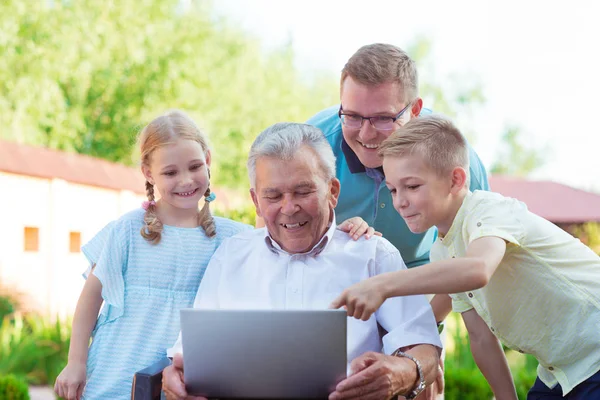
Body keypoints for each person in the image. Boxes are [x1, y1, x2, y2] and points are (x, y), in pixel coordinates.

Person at [162, 122, 443, 400]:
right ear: (256, 201)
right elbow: (188, 353)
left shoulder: (374, 255)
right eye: (273, 195)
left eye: (303, 191)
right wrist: (175, 375)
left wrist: (402, 372)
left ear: (332, 191)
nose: (289, 207)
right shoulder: (230, 256)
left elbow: (424, 347)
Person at [331, 115, 600, 399]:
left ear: (455, 180)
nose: (400, 201)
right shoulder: (445, 252)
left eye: (412, 186)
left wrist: (381, 285)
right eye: (393, 189)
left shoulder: (489, 210)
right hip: (561, 371)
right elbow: (480, 337)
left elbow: (478, 269)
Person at [307, 42, 490, 397]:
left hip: (424, 282)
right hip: (342, 288)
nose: (365, 133)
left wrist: (422, 334)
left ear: (415, 110)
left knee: (421, 377)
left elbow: (466, 263)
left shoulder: (455, 157)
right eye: (353, 116)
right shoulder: (313, 145)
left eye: (383, 118)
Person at [53, 110, 253, 400]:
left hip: (184, 387)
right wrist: (76, 363)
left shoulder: (232, 238)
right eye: (170, 172)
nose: (185, 180)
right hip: (115, 378)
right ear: (149, 173)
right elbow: (90, 298)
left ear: (208, 160)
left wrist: (345, 227)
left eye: (194, 166)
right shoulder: (126, 230)